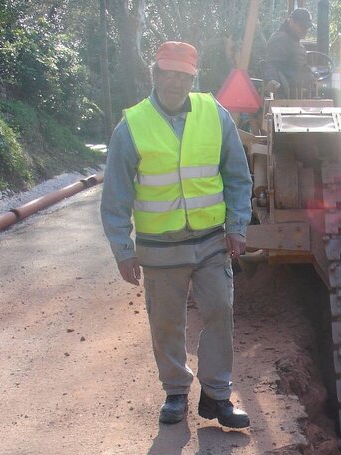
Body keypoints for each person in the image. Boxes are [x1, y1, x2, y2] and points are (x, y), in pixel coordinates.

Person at [101, 41, 254, 428]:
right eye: (166, 74)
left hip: (210, 242)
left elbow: (238, 176)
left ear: (192, 78)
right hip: (159, 248)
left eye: (182, 76)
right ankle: (175, 392)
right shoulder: (131, 126)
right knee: (167, 322)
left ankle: (218, 396)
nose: (174, 82)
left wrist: (237, 226)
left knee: (220, 312)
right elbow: (116, 196)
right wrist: (122, 249)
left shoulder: (214, 114)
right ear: (155, 75)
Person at [261, 7, 314, 98]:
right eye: (302, 26)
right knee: (334, 94)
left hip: (300, 91)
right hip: (288, 95)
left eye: (307, 27)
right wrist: (272, 80)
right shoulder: (280, 39)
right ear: (291, 22)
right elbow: (272, 64)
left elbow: (300, 66)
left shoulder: (294, 40)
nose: (305, 30)